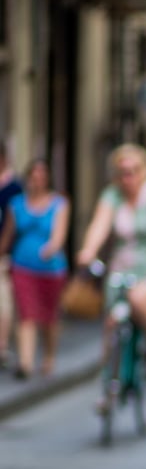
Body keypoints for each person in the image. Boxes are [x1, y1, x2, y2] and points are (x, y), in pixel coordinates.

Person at [76, 143, 146, 396]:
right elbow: (99, 226)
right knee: (112, 320)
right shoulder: (112, 196)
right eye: (122, 172)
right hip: (122, 267)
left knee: (139, 297)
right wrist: (87, 251)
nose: (129, 178)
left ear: (145, 171)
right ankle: (108, 382)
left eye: (134, 171)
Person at [0, 158, 69, 379]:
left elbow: (59, 234)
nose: (37, 180)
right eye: (33, 176)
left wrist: (52, 248)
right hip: (22, 266)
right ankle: (26, 363)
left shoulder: (59, 203)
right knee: (26, 314)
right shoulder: (17, 204)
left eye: (42, 176)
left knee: (49, 317)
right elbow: (8, 236)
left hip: (51, 268)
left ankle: (49, 356)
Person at [0, 140, 24, 369]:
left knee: (3, 301)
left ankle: (2, 346)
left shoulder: (14, 188)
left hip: (5, 254)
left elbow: (13, 224)